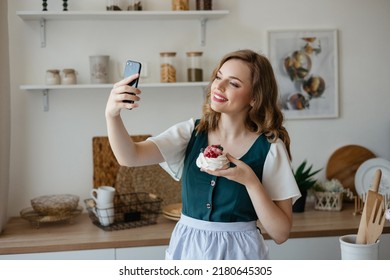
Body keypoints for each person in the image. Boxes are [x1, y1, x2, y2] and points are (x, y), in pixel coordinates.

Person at [105, 49, 301, 260]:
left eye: (234, 83)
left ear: (254, 97)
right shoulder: (191, 132)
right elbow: (130, 157)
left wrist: (251, 182)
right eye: (219, 76)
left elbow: (280, 233)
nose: (219, 86)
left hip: (240, 254)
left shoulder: (271, 147)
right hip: (188, 249)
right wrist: (112, 115)